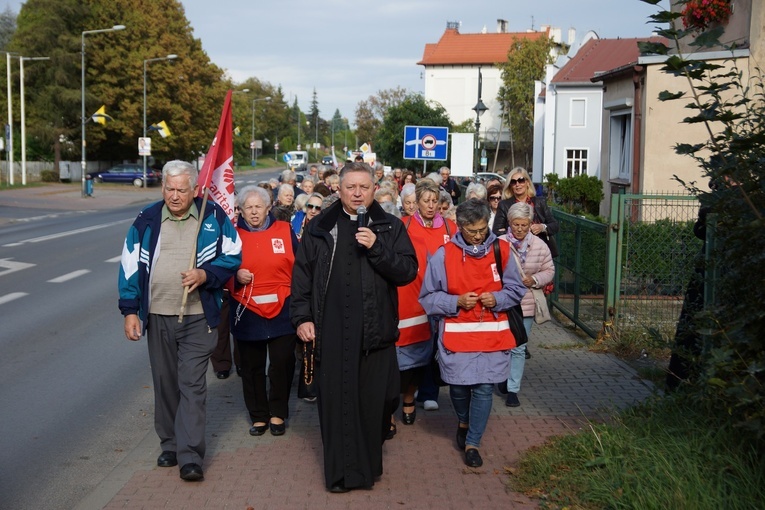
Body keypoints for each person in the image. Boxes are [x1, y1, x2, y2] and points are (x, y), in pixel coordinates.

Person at [290, 162, 417, 493]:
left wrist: (376, 247)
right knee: (335, 405)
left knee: (378, 404)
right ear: (338, 189)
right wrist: (302, 318)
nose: (358, 193)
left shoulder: (390, 227)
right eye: (351, 187)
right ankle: (340, 476)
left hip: (376, 334)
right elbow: (301, 277)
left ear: (375, 188)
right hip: (331, 332)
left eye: (364, 187)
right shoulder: (319, 228)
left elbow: (407, 271)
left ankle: (368, 465)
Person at [119, 160, 242, 481]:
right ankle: (170, 444)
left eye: (181, 190)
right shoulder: (146, 219)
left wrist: (206, 274)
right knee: (165, 383)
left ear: (194, 190)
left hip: (199, 317)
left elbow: (233, 255)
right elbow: (130, 264)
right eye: (169, 189)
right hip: (158, 315)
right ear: (163, 188)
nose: (174, 196)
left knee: (192, 385)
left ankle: (190, 455)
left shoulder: (212, 216)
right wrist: (130, 310)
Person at [419, 198, 525, 467]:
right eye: (472, 231)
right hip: (458, 338)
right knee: (458, 388)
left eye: (482, 230)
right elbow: (428, 297)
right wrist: (455, 302)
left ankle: (473, 443)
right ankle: (463, 421)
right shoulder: (444, 255)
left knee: (484, 389)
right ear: (461, 227)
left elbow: (516, 290)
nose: (479, 236)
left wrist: (498, 299)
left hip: (493, 337)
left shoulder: (502, 250)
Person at [228, 186, 299, 437]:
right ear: (241, 210)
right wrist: (235, 276)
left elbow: (300, 267)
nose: (254, 212)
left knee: (281, 363)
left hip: (283, 308)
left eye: (259, 206)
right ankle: (258, 416)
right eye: (249, 207)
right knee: (251, 367)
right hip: (247, 309)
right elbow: (220, 269)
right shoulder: (232, 236)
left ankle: (278, 412)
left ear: (269, 208)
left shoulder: (285, 230)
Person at [399, 179, 457, 422]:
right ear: (416, 203)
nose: (432, 206)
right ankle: (407, 397)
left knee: (438, 349)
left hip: (443, 298)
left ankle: (430, 392)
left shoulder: (451, 228)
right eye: (426, 201)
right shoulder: (403, 226)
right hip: (411, 298)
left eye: (435, 201)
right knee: (411, 353)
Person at [497, 202, 554, 407]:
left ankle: (513, 389)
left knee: (519, 347)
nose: (520, 229)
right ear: (509, 223)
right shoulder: (499, 243)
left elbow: (550, 270)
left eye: (524, 225)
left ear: (530, 224)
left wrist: (535, 279)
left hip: (527, 302)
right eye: (516, 225)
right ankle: (501, 378)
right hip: (503, 302)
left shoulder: (540, 246)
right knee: (502, 345)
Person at [492, 167, 558, 258]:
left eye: (521, 180)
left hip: (539, 252)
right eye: (513, 182)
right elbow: (496, 232)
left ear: (527, 182)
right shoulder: (504, 205)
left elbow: (554, 225)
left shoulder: (539, 202)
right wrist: (513, 232)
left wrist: (542, 227)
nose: (517, 184)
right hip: (514, 253)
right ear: (510, 186)